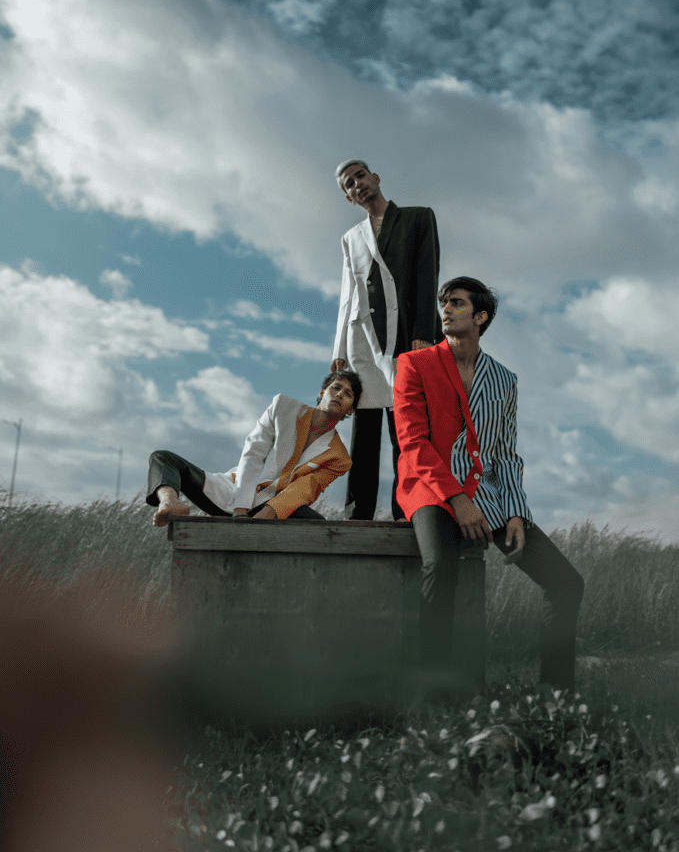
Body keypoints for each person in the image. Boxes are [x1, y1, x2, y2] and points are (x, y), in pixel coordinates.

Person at [393, 276, 584, 692]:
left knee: (567, 582)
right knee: (441, 566)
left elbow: (505, 453)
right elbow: (412, 441)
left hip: (489, 492)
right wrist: (457, 500)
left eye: (457, 302)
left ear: (480, 317)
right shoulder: (415, 364)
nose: (446, 309)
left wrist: (515, 512)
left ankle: (555, 694)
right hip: (432, 485)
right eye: (444, 302)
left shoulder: (503, 379)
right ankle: (435, 695)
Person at [330, 159, 443, 521]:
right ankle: (357, 513)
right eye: (349, 184)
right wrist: (339, 350)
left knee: (404, 425)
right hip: (362, 338)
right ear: (348, 197)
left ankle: (404, 510)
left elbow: (427, 276)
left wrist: (423, 333)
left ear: (375, 178)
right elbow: (348, 293)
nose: (357, 184)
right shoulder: (351, 238)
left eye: (360, 176)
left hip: (405, 333)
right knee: (364, 429)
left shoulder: (418, 217)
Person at [148, 371, 360, 525]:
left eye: (348, 393)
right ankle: (169, 502)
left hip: (273, 504)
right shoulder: (283, 407)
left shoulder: (340, 458)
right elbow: (254, 452)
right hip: (234, 490)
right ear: (322, 392)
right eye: (336, 387)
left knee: (317, 526)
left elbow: (306, 488)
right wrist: (240, 508)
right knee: (163, 457)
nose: (339, 394)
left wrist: (271, 511)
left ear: (350, 409)